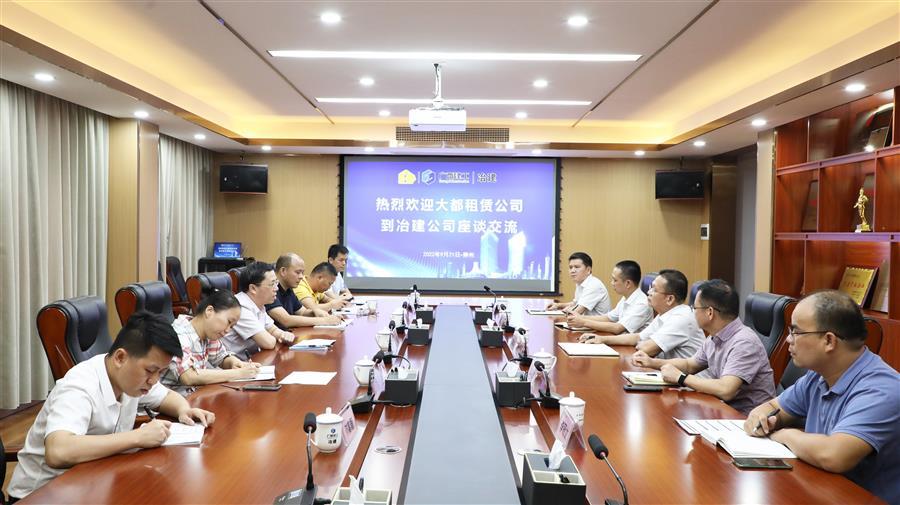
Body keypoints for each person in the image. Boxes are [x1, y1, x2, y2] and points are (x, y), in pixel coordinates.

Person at [7, 312, 215, 500]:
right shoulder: (79, 386)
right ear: (120, 358)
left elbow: (166, 396)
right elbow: (58, 451)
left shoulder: (131, 379)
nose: (154, 380)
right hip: (43, 494)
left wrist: (184, 410)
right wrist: (137, 437)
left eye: (160, 372)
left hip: (94, 481)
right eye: (150, 371)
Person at [743, 290, 899, 503]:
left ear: (829, 341)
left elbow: (834, 455)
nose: (788, 339)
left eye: (795, 332)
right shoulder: (817, 376)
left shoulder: (882, 390)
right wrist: (761, 417)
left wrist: (784, 435)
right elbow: (772, 407)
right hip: (822, 490)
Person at [631, 279, 775, 414]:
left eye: (695, 308)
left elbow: (726, 389)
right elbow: (690, 365)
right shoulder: (714, 337)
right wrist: (652, 362)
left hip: (744, 418)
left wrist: (681, 378)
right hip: (721, 410)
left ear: (709, 312)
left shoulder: (744, 342)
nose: (692, 312)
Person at [580, 269, 703, 359]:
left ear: (670, 299)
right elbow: (638, 337)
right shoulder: (664, 314)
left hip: (689, 384)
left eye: (654, 289)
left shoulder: (681, 318)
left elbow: (647, 349)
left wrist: (643, 343)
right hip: (669, 375)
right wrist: (602, 339)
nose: (649, 292)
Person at [160, 288, 262, 396]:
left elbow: (221, 358)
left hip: (195, 397)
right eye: (228, 322)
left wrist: (236, 363)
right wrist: (238, 373)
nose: (228, 330)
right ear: (209, 311)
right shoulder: (178, 334)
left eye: (232, 327)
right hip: (170, 403)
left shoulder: (208, 333)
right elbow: (189, 377)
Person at [221, 261, 295, 360]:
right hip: (232, 365)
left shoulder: (258, 305)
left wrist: (284, 335)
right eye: (272, 284)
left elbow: (273, 330)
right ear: (253, 288)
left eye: (276, 283)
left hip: (251, 361)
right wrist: (278, 336)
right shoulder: (240, 307)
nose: (276, 288)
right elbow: (268, 343)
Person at [566, 260, 652, 334]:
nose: (612, 283)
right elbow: (608, 318)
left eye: (615, 280)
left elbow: (618, 328)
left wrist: (583, 322)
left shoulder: (642, 304)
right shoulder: (626, 297)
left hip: (633, 347)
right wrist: (580, 317)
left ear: (628, 283)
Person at [266, 253, 342, 330]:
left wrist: (316, 312)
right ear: (283, 271)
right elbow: (286, 320)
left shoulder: (289, 289)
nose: (301, 277)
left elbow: (302, 312)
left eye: (302, 273)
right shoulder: (269, 289)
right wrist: (324, 321)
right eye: (298, 272)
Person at [545, 252, 610, 316]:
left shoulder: (593, 285)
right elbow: (576, 303)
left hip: (596, 323)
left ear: (588, 270)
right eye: (570, 267)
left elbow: (576, 312)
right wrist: (558, 305)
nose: (572, 271)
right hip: (585, 322)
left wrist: (566, 311)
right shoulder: (581, 283)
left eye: (577, 267)